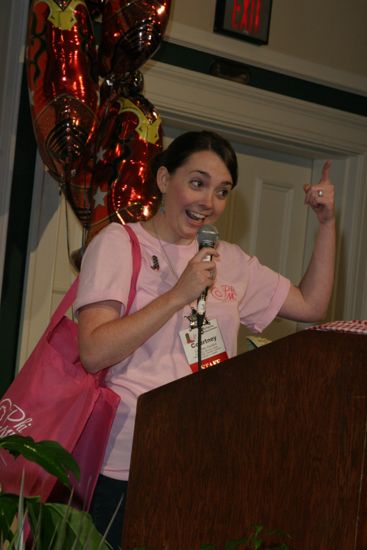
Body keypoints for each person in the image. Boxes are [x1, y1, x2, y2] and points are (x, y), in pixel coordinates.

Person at [74, 130, 336, 548]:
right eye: (197, 183)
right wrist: (179, 294)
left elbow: (311, 305)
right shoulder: (119, 245)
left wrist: (325, 225)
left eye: (222, 191)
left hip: (206, 462)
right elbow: (92, 351)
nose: (208, 202)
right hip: (126, 466)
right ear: (163, 180)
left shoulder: (229, 260)